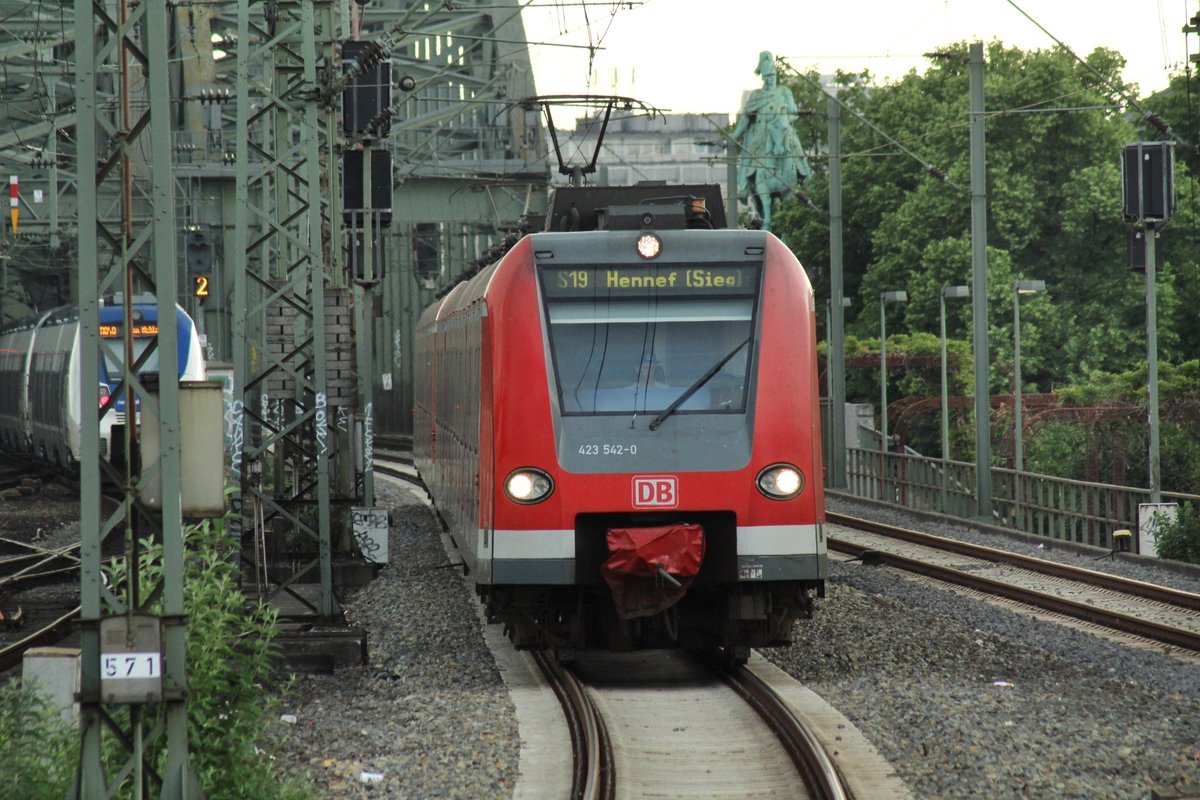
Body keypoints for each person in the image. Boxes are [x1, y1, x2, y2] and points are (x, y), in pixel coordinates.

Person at [730, 51, 812, 230]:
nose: (770, 79)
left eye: (772, 75)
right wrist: (735, 135)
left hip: (781, 126)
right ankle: (744, 185)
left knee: (793, 142)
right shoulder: (756, 96)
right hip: (761, 130)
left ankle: (805, 173)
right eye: (767, 76)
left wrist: (782, 120)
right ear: (762, 76)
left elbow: (793, 113)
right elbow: (745, 119)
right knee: (750, 149)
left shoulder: (784, 91)